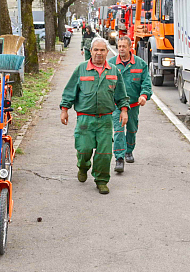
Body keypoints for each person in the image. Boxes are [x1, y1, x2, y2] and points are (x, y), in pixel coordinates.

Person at [60, 37, 129, 194]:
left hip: (105, 119)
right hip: (85, 119)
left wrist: (124, 110)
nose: (99, 53)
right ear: (90, 51)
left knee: (104, 153)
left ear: (107, 52)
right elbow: (70, 90)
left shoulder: (113, 71)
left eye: (102, 50)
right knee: (84, 149)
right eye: (96, 50)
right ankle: (83, 166)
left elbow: (121, 95)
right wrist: (64, 109)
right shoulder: (81, 69)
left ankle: (101, 180)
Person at [111, 35, 152, 173]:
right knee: (118, 130)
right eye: (119, 46)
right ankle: (119, 158)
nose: (121, 49)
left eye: (124, 46)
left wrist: (144, 95)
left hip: (133, 105)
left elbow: (146, 83)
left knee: (132, 129)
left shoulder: (140, 64)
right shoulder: (111, 64)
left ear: (130, 47)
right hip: (117, 106)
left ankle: (129, 150)